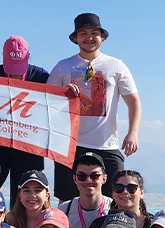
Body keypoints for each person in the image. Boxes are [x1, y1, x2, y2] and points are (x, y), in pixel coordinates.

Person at [48, 13, 141, 201]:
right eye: (83, 33)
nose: (89, 38)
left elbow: (134, 101)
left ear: (102, 37)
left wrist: (133, 133)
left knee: (116, 202)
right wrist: (63, 93)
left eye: (94, 33)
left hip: (107, 146)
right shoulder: (62, 67)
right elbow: (47, 102)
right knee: (67, 202)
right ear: (76, 38)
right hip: (70, 147)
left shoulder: (116, 65)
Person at [0, 35, 49, 203]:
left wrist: (68, 91)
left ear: (28, 57)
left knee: (27, 194)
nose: (15, 75)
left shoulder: (42, 77)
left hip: (29, 144)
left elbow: (58, 105)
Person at [57, 151, 112, 228]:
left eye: (94, 176)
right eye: (82, 176)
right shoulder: (64, 210)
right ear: (75, 179)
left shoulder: (113, 208)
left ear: (104, 179)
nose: (88, 181)